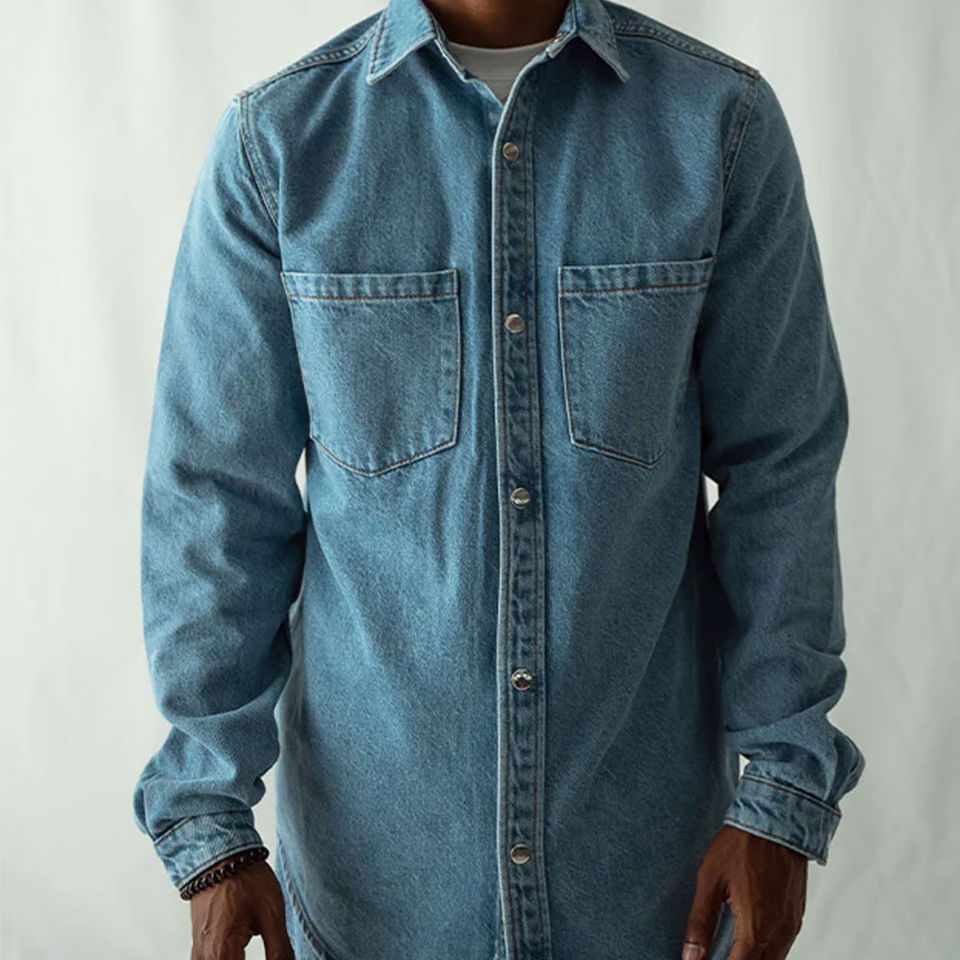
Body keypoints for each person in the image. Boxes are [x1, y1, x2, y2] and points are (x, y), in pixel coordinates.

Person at [132, 0, 866, 957]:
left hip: (649, 887)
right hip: (371, 898)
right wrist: (212, 828)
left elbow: (782, 467)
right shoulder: (278, 146)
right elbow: (216, 499)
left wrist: (781, 794)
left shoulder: (719, 124)